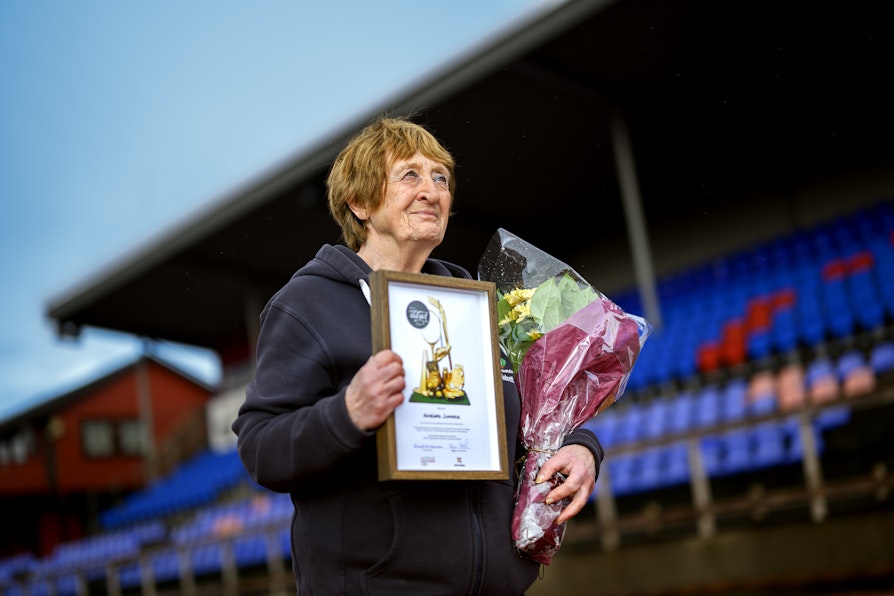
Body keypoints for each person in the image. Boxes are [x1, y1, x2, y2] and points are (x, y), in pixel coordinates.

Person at [232, 116, 603, 595]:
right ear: (359, 203)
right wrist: (348, 413)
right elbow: (260, 448)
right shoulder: (307, 305)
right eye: (410, 175)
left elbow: (531, 417)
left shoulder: (475, 305)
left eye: (441, 178)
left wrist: (581, 446)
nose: (432, 191)